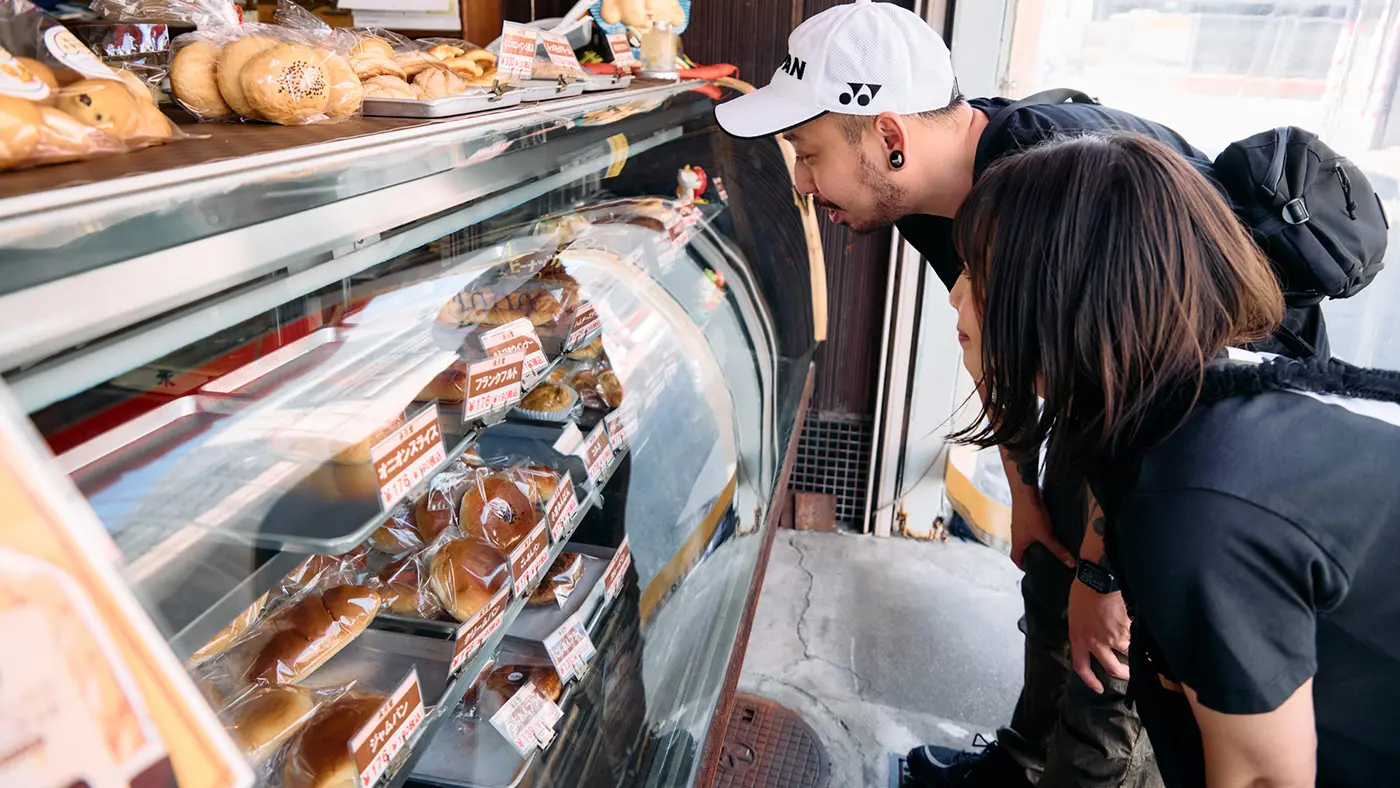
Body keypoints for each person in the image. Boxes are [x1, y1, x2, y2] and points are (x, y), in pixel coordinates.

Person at [712, 1, 1331, 785]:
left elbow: (1139, 407)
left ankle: (1084, 768)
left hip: (1203, 418)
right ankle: (1028, 759)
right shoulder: (927, 189)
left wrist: (1108, 576)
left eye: (808, 153)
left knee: (1114, 653)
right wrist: (1026, 498)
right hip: (1111, 401)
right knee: (1051, 569)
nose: (802, 183)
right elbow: (992, 347)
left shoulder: (1051, 180)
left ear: (890, 138)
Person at [947, 131, 1400, 787]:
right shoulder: (1197, 389)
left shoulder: (1198, 502)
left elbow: (1264, 780)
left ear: (1071, 299)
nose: (956, 295)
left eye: (984, 274)